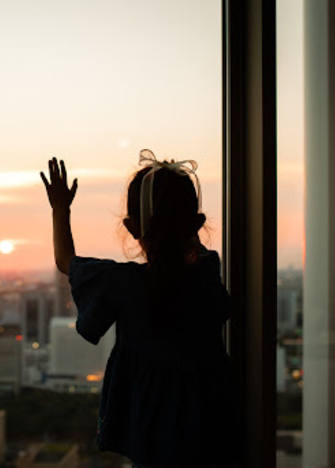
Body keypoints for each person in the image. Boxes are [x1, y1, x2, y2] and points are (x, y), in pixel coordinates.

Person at [40, 151, 239, 467]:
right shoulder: (206, 275)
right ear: (198, 225)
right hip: (212, 421)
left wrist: (60, 209)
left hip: (149, 426)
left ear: (131, 228)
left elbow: (66, 262)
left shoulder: (123, 284)